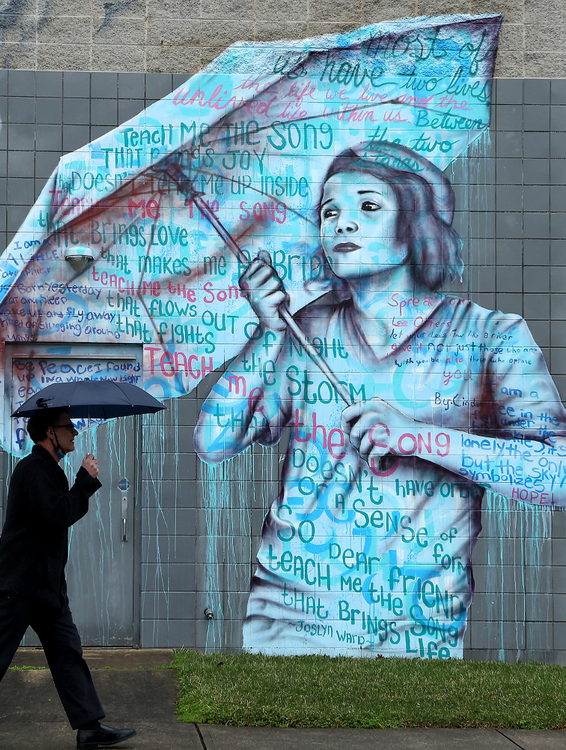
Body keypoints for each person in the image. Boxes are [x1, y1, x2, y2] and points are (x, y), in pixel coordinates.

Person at [194, 140, 566, 657]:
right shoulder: (301, 333)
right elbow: (213, 441)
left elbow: (556, 475)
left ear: (414, 223)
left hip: (418, 622)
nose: (341, 223)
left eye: (368, 206)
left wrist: (417, 436)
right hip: (290, 612)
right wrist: (268, 332)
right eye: (329, 211)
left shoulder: (490, 336)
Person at [0, 407, 136, 749]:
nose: (74, 433)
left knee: (67, 653)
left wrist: (79, 486)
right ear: (49, 433)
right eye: (68, 427)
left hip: (45, 588)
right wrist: (85, 482)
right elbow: (56, 514)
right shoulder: (33, 470)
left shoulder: (48, 471)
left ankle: (89, 728)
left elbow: (58, 513)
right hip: (21, 586)